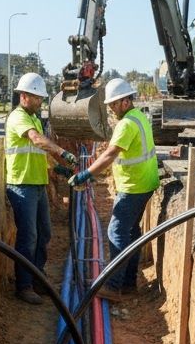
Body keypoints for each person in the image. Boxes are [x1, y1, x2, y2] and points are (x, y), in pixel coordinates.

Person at [68, 77, 159, 304]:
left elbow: (110, 155)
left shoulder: (127, 124)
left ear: (125, 101)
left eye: (113, 104)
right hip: (145, 183)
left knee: (116, 232)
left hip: (133, 186)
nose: (110, 108)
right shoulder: (139, 118)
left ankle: (113, 286)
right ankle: (128, 282)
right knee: (132, 233)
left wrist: (86, 174)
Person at [6, 72, 77, 305]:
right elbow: (37, 140)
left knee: (44, 232)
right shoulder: (19, 118)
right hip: (21, 186)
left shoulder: (35, 118)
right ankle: (24, 285)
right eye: (37, 98)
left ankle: (38, 277)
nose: (40, 102)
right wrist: (62, 151)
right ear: (24, 96)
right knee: (28, 237)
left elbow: (41, 154)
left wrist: (60, 170)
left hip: (38, 185)